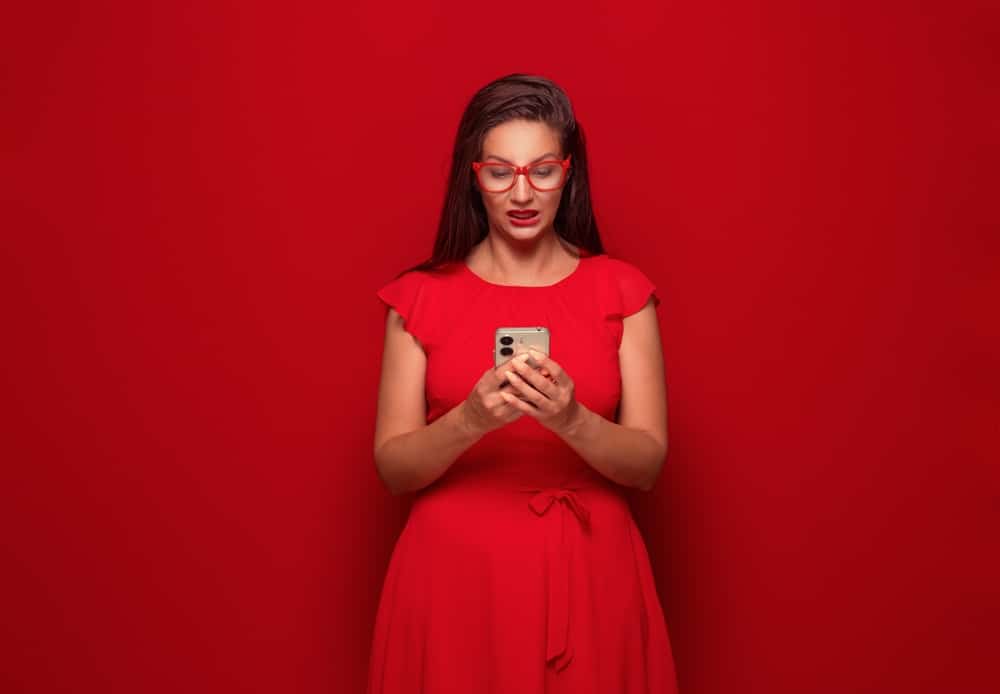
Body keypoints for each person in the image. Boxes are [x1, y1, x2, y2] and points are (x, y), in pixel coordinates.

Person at [369, 73, 679, 693]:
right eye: (499, 171)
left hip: (591, 575)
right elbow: (393, 468)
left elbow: (647, 464)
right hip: (453, 579)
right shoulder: (419, 298)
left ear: (568, 173)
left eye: (541, 170)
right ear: (473, 175)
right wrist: (472, 419)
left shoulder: (624, 292)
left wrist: (571, 420)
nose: (522, 192)